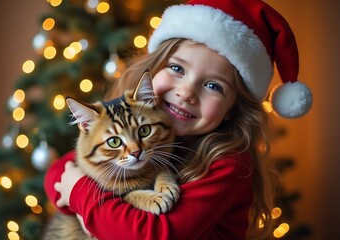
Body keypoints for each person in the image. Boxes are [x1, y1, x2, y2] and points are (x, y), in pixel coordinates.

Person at [44, 0, 312, 239]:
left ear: (232, 108)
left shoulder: (229, 164)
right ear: (155, 69)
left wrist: (79, 194)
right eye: (177, 68)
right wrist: (77, 194)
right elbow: (57, 177)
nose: (186, 93)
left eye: (214, 86)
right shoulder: (139, 122)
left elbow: (155, 234)